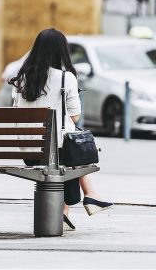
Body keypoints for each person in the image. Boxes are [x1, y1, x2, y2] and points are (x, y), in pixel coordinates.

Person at [10, 28, 113, 231]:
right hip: (56, 152)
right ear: (61, 52)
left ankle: (74, 207)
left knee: (66, 147)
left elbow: (16, 115)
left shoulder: (21, 78)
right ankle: (86, 197)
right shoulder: (66, 78)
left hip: (29, 152)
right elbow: (75, 116)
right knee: (71, 146)